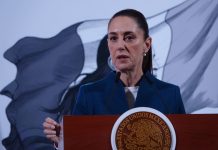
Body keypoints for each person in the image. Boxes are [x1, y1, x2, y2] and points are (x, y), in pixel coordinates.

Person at [43, 8, 185, 145]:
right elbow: (79, 145)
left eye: (129, 38)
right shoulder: (89, 95)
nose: (120, 46)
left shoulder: (170, 94)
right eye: (113, 38)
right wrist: (62, 142)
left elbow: (184, 143)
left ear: (146, 44)